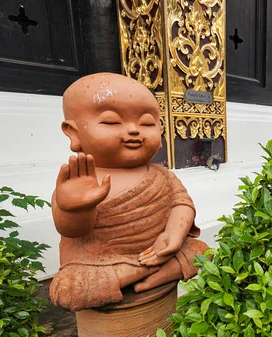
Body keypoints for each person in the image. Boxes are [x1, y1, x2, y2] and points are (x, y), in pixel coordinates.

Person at [50, 73, 208, 312]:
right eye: (112, 122)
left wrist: (173, 236)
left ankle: (152, 270)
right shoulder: (77, 180)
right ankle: (148, 271)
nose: (134, 130)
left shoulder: (161, 174)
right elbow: (72, 230)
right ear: (73, 132)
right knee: (70, 288)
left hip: (159, 249)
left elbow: (181, 203)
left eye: (146, 123)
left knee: (201, 251)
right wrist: (76, 207)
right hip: (98, 264)